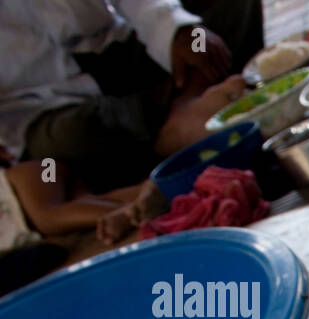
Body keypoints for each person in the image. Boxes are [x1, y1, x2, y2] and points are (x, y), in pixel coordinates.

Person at [0, 0, 263, 195]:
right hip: (38, 111)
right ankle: (182, 116)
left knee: (224, 11)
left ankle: (186, 107)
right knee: (74, 137)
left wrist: (175, 29)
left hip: (114, 47)